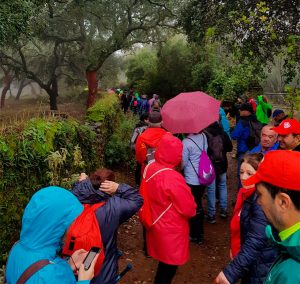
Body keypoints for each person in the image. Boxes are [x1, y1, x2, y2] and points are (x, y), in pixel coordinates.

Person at [5, 186, 97, 283]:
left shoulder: (17, 247)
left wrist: (68, 265)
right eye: (69, 222)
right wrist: (84, 280)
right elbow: (45, 276)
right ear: (56, 226)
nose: (71, 226)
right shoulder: (49, 275)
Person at [214, 153, 278, 284]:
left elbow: (255, 240)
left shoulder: (261, 202)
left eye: (250, 173)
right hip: (251, 261)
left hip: (260, 265)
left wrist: (231, 272)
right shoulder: (246, 194)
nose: (243, 177)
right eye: (241, 172)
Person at [71, 168, 143, 284]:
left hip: (74, 264)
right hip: (103, 273)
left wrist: (82, 184)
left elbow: (75, 191)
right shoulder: (113, 207)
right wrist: (118, 188)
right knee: (94, 257)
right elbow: (137, 199)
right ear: (109, 187)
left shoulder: (74, 199)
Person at [144, 133, 196, 284]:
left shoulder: (150, 167)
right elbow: (189, 209)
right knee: (168, 268)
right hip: (171, 230)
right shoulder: (173, 178)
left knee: (163, 265)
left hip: (154, 222)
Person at [244, 150, 300, 283]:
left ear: (283, 202)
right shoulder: (290, 245)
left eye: (260, 194)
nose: (258, 201)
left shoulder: (291, 275)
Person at [205, 121, 233, 219]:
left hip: (210, 165)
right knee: (222, 186)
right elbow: (230, 148)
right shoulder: (222, 133)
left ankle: (211, 215)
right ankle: (224, 210)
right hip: (222, 164)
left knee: (211, 190)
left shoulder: (205, 134)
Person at [182, 131, 209, 232]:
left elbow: (183, 163)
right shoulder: (203, 136)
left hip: (192, 178)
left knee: (193, 204)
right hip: (203, 174)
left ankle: (196, 232)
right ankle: (199, 230)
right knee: (198, 202)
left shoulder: (186, 142)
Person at [231, 103, 261, 188]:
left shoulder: (242, 122)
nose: (239, 111)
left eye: (241, 110)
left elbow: (234, 136)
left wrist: (232, 131)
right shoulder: (255, 120)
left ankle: (243, 194)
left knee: (242, 173)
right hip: (255, 148)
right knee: (252, 171)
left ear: (245, 111)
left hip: (244, 150)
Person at [130, 113, 149, 187]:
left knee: (138, 165)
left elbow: (132, 140)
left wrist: (133, 148)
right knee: (145, 166)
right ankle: (144, 182)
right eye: (148, 119)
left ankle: (137, 182)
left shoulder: (137, 127)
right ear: (145, 119)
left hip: (138, 149)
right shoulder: (146, 128)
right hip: (145, 149)